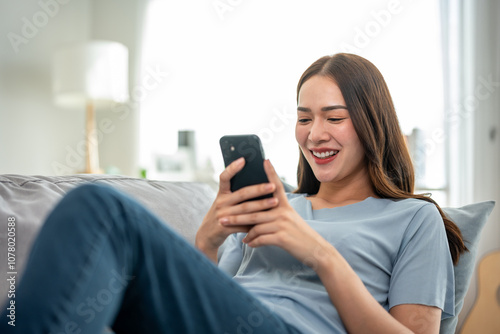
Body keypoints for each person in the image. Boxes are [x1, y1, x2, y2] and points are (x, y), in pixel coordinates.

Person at [1, 53, 466, 334]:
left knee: (100, 208)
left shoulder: (413, 219)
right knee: (90, 213)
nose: (315, 133)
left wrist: (320, 253)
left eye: (334, 117)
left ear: (371, 124)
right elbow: (203, 302)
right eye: (304, 118)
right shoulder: (277, 207)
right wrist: (207, 239)